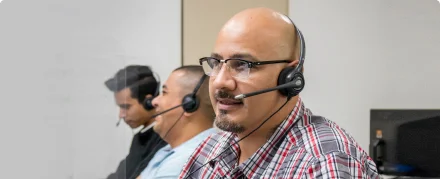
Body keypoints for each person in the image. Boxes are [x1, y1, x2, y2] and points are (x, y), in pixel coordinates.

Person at [179, 8, 380, 179]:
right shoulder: (209, 150)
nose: (221, 81)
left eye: (242, 65)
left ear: (290, 77)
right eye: (216, 64)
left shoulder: (324, 163)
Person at [137, 65, 217, 179]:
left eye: (164, 92)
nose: (154, 101)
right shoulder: (169, 150)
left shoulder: (188, 162)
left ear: (189, 104)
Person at [104, 65, 167, 179]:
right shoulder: (140, 138)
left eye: (126, 107)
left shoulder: (166, 138)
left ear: (148, 101)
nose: (121, 115)